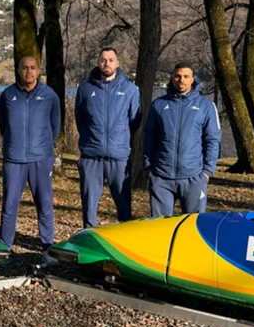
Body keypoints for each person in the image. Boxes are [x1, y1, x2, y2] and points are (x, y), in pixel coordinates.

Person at [0, 56, 61, 252]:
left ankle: (47, 246)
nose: (28, 71)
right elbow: (3, 125)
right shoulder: (8, 95)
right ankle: (4, 246)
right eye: (24, 68)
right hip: (14, 159)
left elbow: (55, 125)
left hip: (41, 158)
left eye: (33, 68)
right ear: (18, 70)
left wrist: (42, 145)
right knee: (9, 204)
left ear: (38, 71)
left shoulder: (49, 95)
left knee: (44, 204)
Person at [143, 62, 221, 217]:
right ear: (172, 78)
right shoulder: (158, 105)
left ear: (193, 79)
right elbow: (149, 137)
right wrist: (149, 166)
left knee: (193, 226)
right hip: (162, 177)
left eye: (186, 76)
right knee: (160, 226)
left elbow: (212, 139)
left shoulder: (206, 106)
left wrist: (207, 171)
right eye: (178, 76)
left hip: (193, 177)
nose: (181, 80)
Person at [74, 47, 141, 228]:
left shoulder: (130, 90)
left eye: (111, 60)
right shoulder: (85, 89)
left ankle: (124, 241)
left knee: (124, 208)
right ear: (98, 63)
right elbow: (80, 119)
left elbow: (134, 121)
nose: (107, 63)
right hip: (91, 158)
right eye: (103, 60)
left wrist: (118, 139)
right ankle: (90, 240)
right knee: (89, 207)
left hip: (119, 158)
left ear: (117, 63)